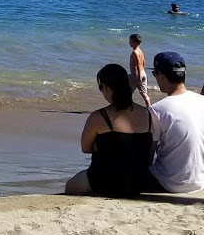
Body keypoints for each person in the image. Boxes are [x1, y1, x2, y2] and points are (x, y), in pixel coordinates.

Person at [64, 64, 155, 197]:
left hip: (106, 179)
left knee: (70, 186)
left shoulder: (99, 117)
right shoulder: (147, 114)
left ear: (106, 87)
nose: (101, 91)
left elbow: (86, 148)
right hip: (139, 181)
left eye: (101, 87)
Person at [147, 51, 204, 192]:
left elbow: (147, 155)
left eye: (155, 75)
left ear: (162, 76)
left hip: (167, 183)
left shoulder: (157, 110)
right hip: (200, 182)